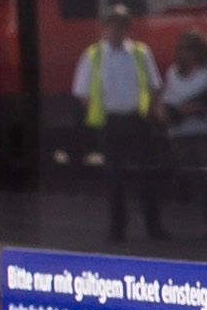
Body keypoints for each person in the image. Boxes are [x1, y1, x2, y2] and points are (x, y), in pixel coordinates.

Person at [69, 13, 169, 244]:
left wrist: (149, 111)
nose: (114, 31)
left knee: (147, 176)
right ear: (103, 28)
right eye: (110, 27)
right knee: (114, 178)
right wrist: (100, 113)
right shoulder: (93, 55)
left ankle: (154, 229)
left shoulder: (141, 53)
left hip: (137, 121)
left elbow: (154, 85)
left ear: (126, 29)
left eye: (119, 27)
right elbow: (81, 92)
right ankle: (117, 231)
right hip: (110, 123)